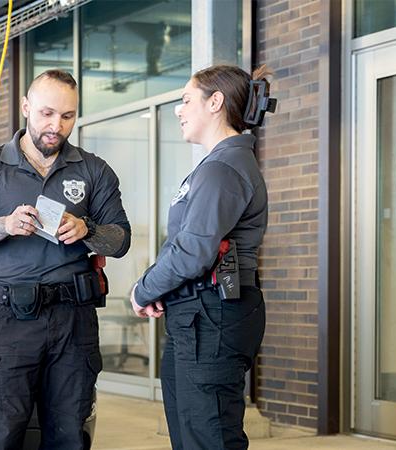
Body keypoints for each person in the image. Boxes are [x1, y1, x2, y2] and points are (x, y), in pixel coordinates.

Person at [0, 69, 132, 449]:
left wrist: (88, 230)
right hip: (11, 319)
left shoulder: (92, 169)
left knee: (69, 434)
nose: (56, 125)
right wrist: (4, 224)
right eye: (47, 114)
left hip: (74, 320)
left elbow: (120, 239)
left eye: (67, 116)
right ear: (26, 107)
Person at [131, 64, 275, 450]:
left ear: (215, 102)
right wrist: (166, 287)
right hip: (197, 313)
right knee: (192, 432)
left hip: (212, 317)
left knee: (209, 436)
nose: (179, 109)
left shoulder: (223, 169)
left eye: (185, 99)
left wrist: (143, 289)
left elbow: (193, 250)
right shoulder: (215, 166)